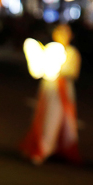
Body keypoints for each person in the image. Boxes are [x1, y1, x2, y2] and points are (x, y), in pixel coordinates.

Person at [19, 23, 82, 165]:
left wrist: (59, 70)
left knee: (63, 119)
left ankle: (56, 148)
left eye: (65, 33)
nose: (62, 35)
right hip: (49, 86)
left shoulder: (72, 52)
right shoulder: (49, 50)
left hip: (64, 88)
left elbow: (73, 72)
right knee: (46, 116)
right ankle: (42, 148)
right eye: (59, 32)